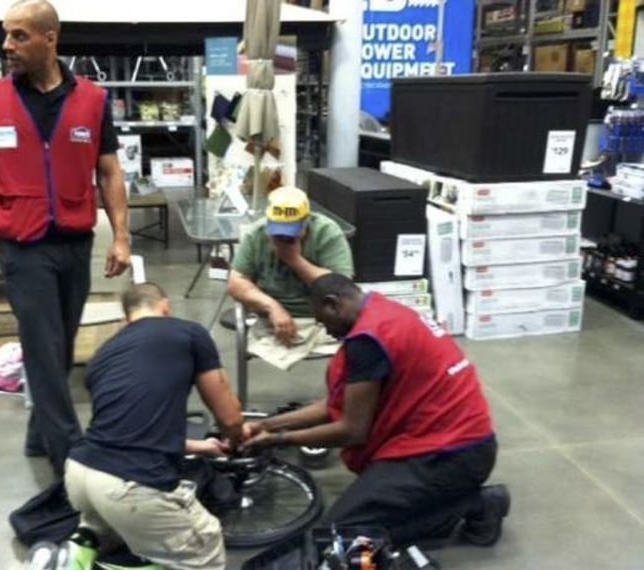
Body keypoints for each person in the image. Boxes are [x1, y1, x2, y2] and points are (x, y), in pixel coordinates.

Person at [0, 0, 131, 476]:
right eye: (6, 35)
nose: (7, 45)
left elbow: (109, 171)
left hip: (75, 241)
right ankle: (70, 458)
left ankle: (39, 436)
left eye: (19, 36)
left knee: (59, 345)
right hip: (21, 244)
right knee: (42, 344)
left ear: (50, 39)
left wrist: (121, 237)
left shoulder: (92, 101)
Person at [242, 273, 510, 547]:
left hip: (450, 455)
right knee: (364, 519)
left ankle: (475, 504)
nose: (326, 331)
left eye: (324, 320)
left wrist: (278, 441)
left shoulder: (367, 340)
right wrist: (269, 425)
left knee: (341, 535)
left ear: (333, 304)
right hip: (459, 442)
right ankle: (446, 505)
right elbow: (337, 405)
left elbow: (352, 431)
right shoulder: (382, 311)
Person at [63, 282, 243, 570]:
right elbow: (230, 417)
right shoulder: (188, 332)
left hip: (81, 473)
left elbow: (129, 427)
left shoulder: (102, 356)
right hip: (130, 485)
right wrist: (236, 439)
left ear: (125, 320)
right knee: (204, 552)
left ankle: (81, 549)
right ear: (166, 307)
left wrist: (201, 447)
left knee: (112, 528)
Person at [227, 186, 353, 346]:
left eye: (291, 232)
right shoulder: (257, 234)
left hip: (322, 318)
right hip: (269, 316)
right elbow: (236, 282)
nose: (283, 238)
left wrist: (293, 259)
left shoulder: (327, 232)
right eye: (278, 231)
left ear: (306, 220)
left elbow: (342, 288)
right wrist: (272, 307)